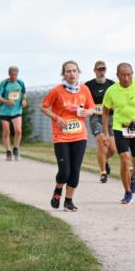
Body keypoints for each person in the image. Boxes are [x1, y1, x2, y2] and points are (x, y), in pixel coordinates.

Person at [40, 60, 94, 212]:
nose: (72, 73)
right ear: (63, 74)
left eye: (74, 71)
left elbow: (92, 108)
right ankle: (58, 190)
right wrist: (57, 118)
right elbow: (43, 107)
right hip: (61, 136)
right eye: (68, 71)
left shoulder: (84, 90)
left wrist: (87, 112)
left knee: (75, 171)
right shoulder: (57, 91)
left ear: (79, 72)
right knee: (65, 171)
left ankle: (69, 201)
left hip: (79, 135)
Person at [101, 63, 135, 205]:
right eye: (123, 74)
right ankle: (128, 192)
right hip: (120, 128)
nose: (127, 77)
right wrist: (106, 133)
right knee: (124, 158)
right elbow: (105, 112)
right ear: (117, 75)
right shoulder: (111, 91)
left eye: (129, 74)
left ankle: (132, 176)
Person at [85, 60, 117, 183]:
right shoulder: (89, 85)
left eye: (103, 69)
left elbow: (117, 100)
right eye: (99, 69)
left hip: (110, 118)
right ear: (95, 71)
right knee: (102, 142)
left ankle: (105, 160)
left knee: (113, 149)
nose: (101, 72)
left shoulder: (112, 85)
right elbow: (85, 100)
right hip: (96, 117)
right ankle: (103, 173)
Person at [0, 66, 27, 161]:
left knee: (18, 131)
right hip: (5, 111)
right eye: (12, 75)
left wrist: (24, 100)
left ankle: (16, 148)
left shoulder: (20, 82)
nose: (14, 76)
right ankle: (8, 152)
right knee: (6, 132)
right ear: (9, 74)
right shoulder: (4, 83)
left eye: (16, 75)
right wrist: (7, 101)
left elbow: (23, 93)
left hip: (17, 110)